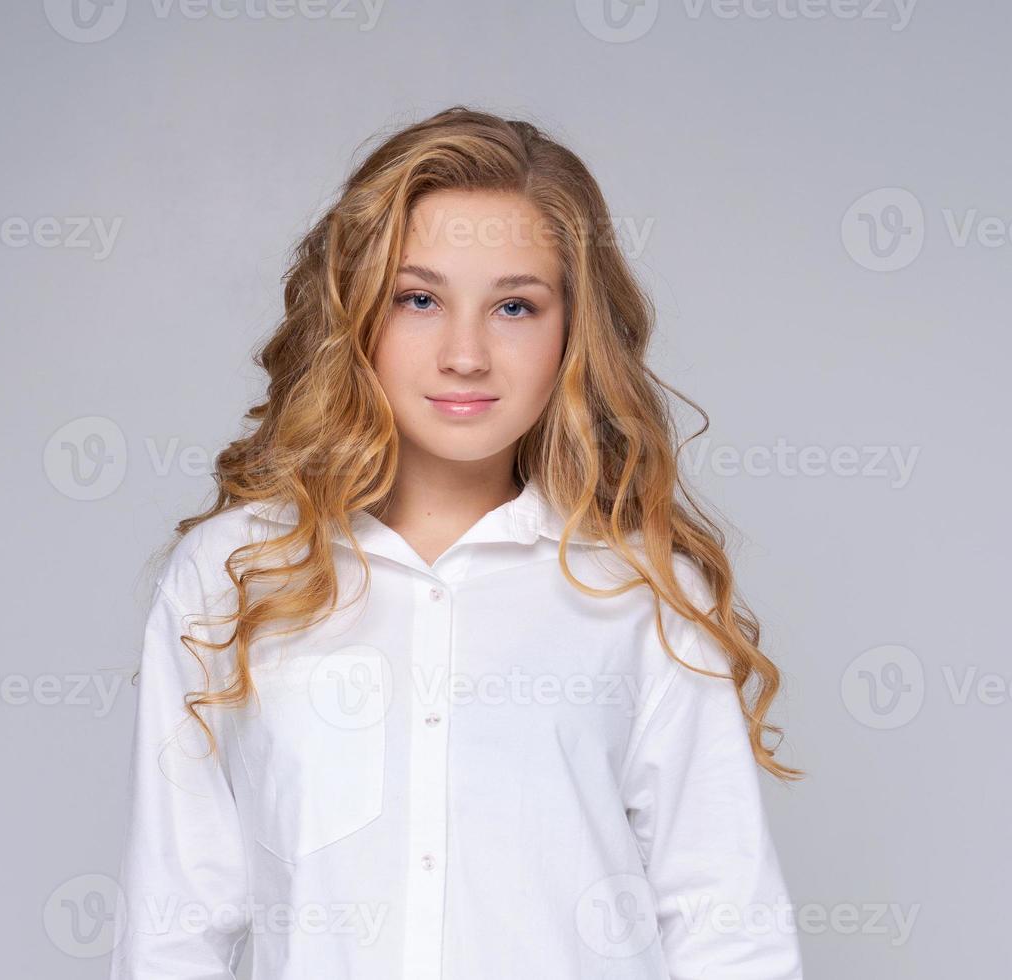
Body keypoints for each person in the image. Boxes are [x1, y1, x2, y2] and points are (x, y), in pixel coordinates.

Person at [110, 105, 805, 980]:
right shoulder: (233, 574)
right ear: (356, 314)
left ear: (572, 333)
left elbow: (725, 920)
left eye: (514, 305)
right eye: (420, 299)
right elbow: (175, 926)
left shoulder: (642, 591)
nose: (466, 354)